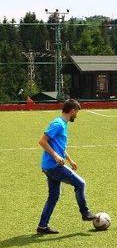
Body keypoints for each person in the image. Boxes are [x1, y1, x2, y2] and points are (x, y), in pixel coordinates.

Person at [37, 99, 96, 234]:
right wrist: (56, 156)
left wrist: (70, 160)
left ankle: (42, 226)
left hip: (49, 166)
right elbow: (42, 141)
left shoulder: (62, 123)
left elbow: (59, 146)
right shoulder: (58, 124)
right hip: (53, 166)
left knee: (53, 197)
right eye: (77, 113)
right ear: (72, 111)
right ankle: (85, 212)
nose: (77, 116)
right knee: (80, 184)